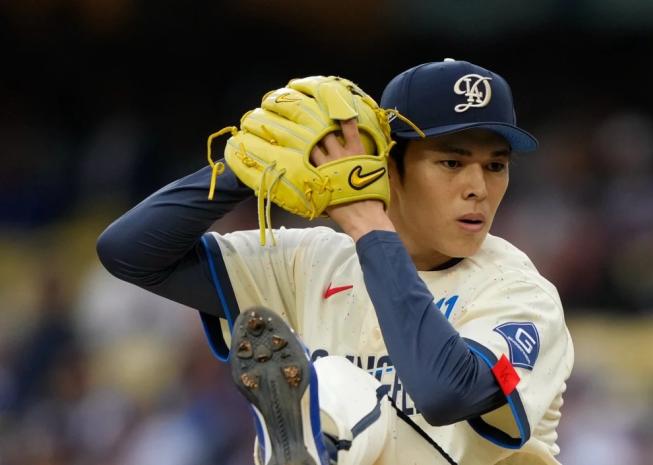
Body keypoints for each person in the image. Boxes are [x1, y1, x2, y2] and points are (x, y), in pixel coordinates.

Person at [97, 58, 574, 465]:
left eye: (496, 165)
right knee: (333, 384)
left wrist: (368, 222)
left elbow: (446, 393)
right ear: (388, 166)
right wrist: (245, 167)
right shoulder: (311, 260)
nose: (478, 187)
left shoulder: (519, 292)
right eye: (451, 162)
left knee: (336, 381)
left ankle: (315, 440)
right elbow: (131, 253)